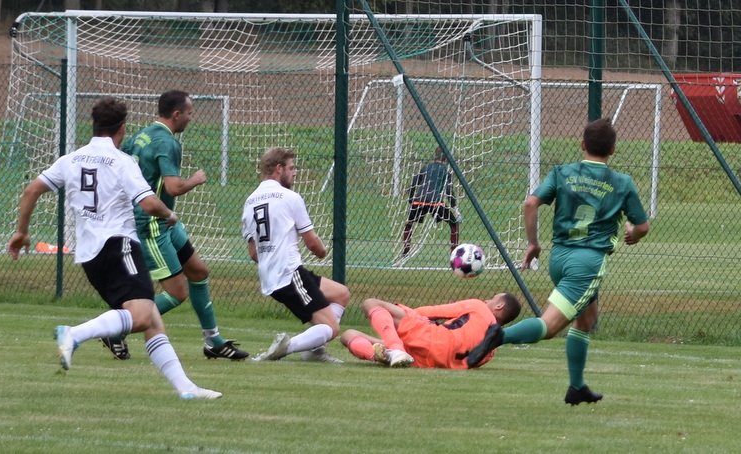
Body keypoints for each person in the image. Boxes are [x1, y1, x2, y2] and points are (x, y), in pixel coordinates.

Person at [7, 97, 221, 399]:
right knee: (143, 316)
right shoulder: (122, 162)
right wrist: (170, 215)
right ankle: (74, 334)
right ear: (122, 128)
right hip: (120, 246)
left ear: (94, 126)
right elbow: (149, 203)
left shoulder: (71, 159)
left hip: (90, 256)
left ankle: (186, 388)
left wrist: (21, 232)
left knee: (151, 319)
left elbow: (31, 190)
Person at [466, 118, 650, 405]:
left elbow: (531, 203)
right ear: (613, 150)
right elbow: (642, 227)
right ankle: (499, 336)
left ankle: (577, 387)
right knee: (550, 327)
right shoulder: (622, 183)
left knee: (586, 318)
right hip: (587, 263)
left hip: (559, 257)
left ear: (582, 145)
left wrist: (533, 243)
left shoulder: (561, 172)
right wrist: (632, 234)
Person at [101, 89, 247, 361]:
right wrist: (196, 179)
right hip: (152, 225)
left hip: (166, 221)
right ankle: (115, 329)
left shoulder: (141, 135)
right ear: (177, 114)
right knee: (177, 293)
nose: (191, 118)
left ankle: (213, 341)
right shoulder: (168, 142)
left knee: (199, 272)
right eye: (189, 113)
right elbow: (173, 187)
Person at [242, 147, 351, 363]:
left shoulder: (250, 201)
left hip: (272, 275)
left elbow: (254, 253)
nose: (295, 173)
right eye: (291, 168)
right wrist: (322, 252)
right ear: (278, 168)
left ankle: (316, 351)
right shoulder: (290, 197)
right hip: (289, 273)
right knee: (331, 327)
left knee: (341, 294)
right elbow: (313, 244)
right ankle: (286, 347)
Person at [340, 293, 521, 368]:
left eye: (492, 299)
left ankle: (395, 350)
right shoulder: (490, 352)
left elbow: (432, 311)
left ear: (499, 305)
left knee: (371, 303)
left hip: (433, 338)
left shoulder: (479, 306)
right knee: (348, 335)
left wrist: (408, 315)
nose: (487, 300)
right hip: (432, 361)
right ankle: (389, 355)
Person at [402, 146, 460, 255]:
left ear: (435, 155)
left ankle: (407, 246)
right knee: (454, 224)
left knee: (409, 223)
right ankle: (454, 251)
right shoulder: (445, 171)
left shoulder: (426, 168)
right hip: (435, 202)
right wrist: (454, 206)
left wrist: (411, 201)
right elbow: (448, 190)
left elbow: (414, 183)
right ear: (446, 158)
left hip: (419, 200)